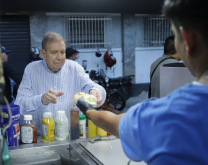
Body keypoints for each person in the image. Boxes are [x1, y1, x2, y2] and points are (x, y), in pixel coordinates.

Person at [76, 0, 208, 164]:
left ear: (189, 40)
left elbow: (113, 123)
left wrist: (88, 111)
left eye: (175, 35)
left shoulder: (164, 115)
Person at [15, 32, 106, 132]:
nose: (60, 57)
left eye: (62, 52)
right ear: (43, 54)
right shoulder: (31, 70)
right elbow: (19, 105)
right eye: (54, 53)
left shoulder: (74, 67)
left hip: (72, 134)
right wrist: (41, 99)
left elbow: (90, 85)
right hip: (41, 136)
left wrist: (95, 91)